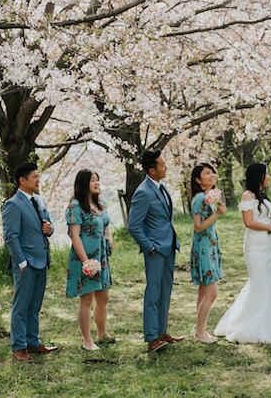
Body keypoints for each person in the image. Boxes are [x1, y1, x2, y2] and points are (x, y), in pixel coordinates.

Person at [214, 163, 271, 343]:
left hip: (268, 247)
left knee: (269, 280)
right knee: (259, 283)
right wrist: (269, 227)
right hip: (255, 247)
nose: (269, 177)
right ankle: (252, 324)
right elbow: (248, 222)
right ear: (259, 176)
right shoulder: (247, 195)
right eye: (267, 174)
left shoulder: (263, 197)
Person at [1, 162, 59, 361]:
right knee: (21, 306)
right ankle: (19, 347)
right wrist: (22, 262)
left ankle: (33, 342)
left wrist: (49, 230)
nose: (38, 180)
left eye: (38, 176)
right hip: (26, 264)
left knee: (35, 305)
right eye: (34, 177)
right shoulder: (13, 204)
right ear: (22, 180)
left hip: (42, 260)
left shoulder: (40, 201)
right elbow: (11, 237)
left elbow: (48, 227)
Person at [127, 149, 183, 352]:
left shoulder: (161, 187)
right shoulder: (143, 192)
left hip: (169, 247)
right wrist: (149, 247)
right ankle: (151, 338)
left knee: (165, 291)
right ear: (152, 170)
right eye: (162, 164)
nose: (165, 166)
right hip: (156, 250)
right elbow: (133, 226)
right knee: (153, 293)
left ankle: (162, 332)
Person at [65, 170, 114, 351]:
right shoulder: (76, 206)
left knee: (104, 296)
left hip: (101, 255)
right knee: (86, 299)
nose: (97, 183)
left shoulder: (100, 203)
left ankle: (102, 333)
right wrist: (86, 261)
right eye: (93, 180)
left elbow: (106, 223)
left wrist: (109, 237)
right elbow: (74, 236)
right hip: (85, 256)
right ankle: (87, 340)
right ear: (83, 183)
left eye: (98, 180)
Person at [189, 163, 227, 343]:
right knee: (212, 293)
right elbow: (198, 227)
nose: (212, 175)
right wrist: (217, 214)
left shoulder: (210, 197)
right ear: (198, 180)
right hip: (203, 246)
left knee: (203, 293)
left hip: (211, 244)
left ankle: (200, 330)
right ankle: (200, 333)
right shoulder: (199, 199)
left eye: (213, 172)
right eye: (207, 173)